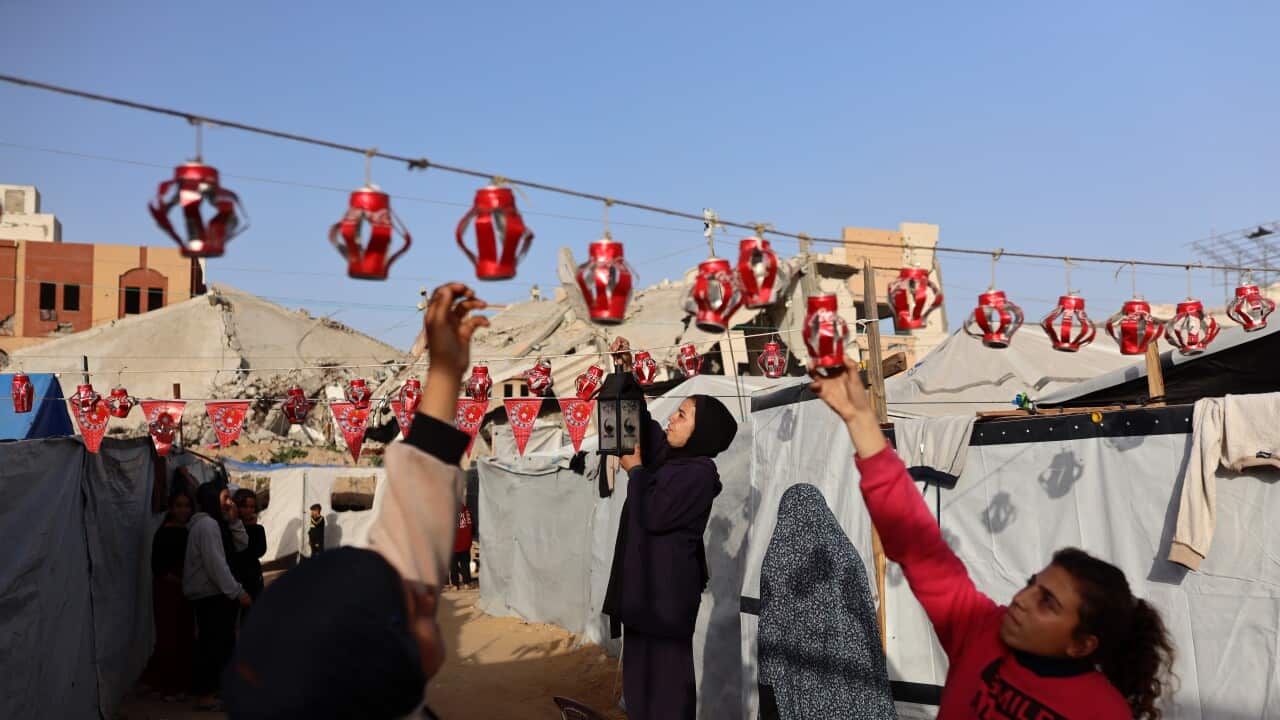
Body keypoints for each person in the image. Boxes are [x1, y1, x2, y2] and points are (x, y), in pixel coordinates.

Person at [807, 355, 1176, 719]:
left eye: (1047, 602)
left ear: (1081, 645)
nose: (1021, 600)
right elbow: (918, 545)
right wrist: (859, 419)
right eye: (1033, 584)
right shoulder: (981, 632)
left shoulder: (1100, 713)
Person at [223, 282, 490, 719]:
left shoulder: (359, 692)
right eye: (409, 614)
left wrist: (444, 373)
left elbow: (412, 527)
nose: (427, 596)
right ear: (381, 671)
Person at [601, 337, 738, 720]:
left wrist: (637, 471)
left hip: (665, 604)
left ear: (703, 431)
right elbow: (643, 428)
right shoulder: (672, 462)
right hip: (643, 600)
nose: (672, 419)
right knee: (641, 695)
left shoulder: (699, 474)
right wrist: (625, 374)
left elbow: (656, 513)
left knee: (666, 698)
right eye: (676, 413)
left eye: (683, 415)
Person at [185, 479, 251, 712]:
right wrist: (237, 592)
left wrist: (234, 521)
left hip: (219, 595)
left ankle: (218, 690)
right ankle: (205, 695)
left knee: (222, 644)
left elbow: (242, 546)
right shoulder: (206, 526)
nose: (230, 503)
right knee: (211, 645)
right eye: (225, 498)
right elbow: (216, 566)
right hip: (210, 596)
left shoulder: (218, 523)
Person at [142, 490, 196, 702]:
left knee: (185, 636)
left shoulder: (192, 530)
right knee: (168, 638)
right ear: (171, 509)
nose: (183, 510)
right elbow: (158, 567)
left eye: (186, 505)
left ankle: (180, 684)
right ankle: (168, 686)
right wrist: (179, 581)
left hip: (187, 591)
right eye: (179, 505)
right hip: (168, 592)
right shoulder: (164, 533)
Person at [231, 488, 268, 619]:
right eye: (244, 506)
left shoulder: (258, 529)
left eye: (252, 507)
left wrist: (252, 528)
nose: (249, 510)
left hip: (253, 579)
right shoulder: (231, 527)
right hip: (235, 578)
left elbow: (259, 551)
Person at [450, 503, 473, 590]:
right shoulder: (466, 510)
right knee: (465, 564)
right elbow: (471, 525)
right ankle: (466, 583)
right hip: (465, 542)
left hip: (453, 544)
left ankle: (455, 584)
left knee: (453, 565)